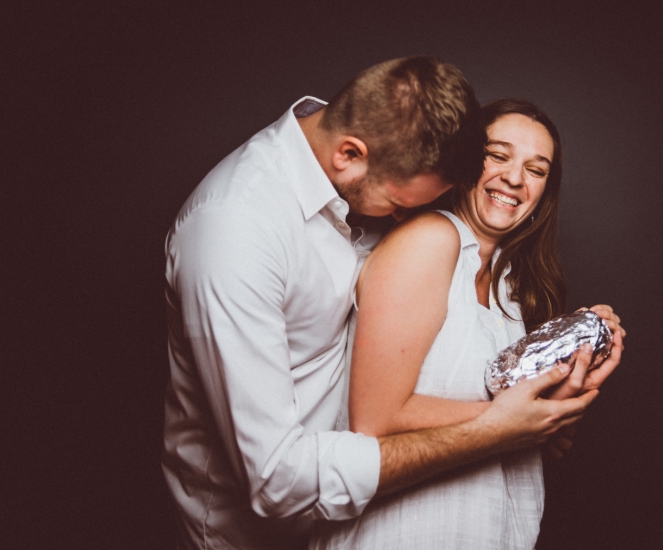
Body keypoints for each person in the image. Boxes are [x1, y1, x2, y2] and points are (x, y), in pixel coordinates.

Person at [162, 58, 610, 550]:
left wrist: (548, 405)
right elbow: (278, 479)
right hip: (251, 533)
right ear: (350, 156)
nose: (404, 220)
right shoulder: (234, 233)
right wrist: (499, 429)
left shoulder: (368, 176)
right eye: (400, 207)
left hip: (335, 514)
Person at [309, 98, 625, 549]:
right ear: (463, 162)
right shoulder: (430, 240)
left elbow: (516, 422)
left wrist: (572, 382)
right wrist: (529, 421)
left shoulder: (510, 286)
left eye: (536, 170)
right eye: (498, 156)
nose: (514, 178)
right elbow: (373, 419)